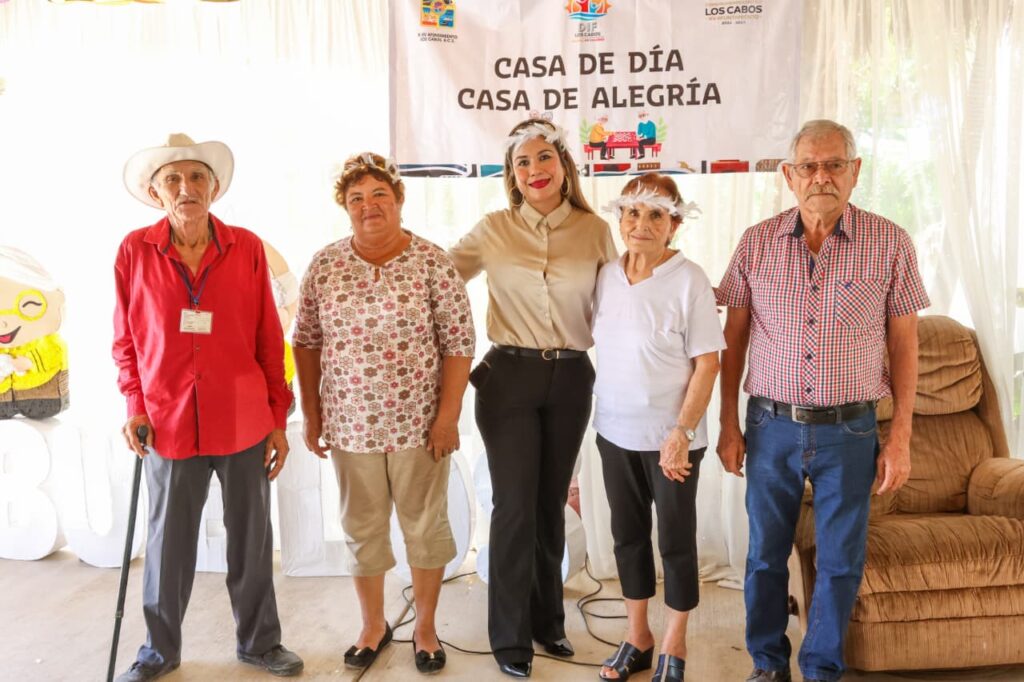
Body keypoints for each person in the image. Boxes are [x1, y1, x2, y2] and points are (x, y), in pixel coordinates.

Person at [715, 120, 930, 682]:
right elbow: (732, 340)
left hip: (850, 430)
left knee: (839, 560)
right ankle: (767, 662)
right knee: (765, 554)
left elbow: (904, 345)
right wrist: (728, 424)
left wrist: (901, 437)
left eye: (834, 164)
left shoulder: (890, 242)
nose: (821, 176)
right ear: (789, 176)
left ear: (855, 172)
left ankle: (821, 668)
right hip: (770, 426)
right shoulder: (756, 242)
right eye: (809, 166)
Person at [112, 133, 303, 681]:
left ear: (214, 188)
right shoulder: (133, 251)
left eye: (197, 177)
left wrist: (277, 418)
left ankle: (260, 643)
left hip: (243, 418)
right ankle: (159, 651)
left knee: (252, 540)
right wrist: (134, 404)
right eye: (172, 179)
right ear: (155, 193)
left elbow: (269, 339)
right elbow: (125, 340)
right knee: (166, 546)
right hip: (167, 421)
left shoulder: (247, 248)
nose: (185, 188)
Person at [292, 152, 474, 675]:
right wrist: (312, 414)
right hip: (351, 426)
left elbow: (459, 343)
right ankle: (373, 625)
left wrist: (448, 417)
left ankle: (425, 629)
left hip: (420, 425)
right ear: (345, 206)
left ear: (398, 200)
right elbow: (306, 341)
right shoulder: (326, 265)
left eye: (379, 195)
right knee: (362, 527)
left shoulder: (432, 261)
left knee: (425, 526)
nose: (368, 206)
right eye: (357, 198)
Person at [450, 118, 617, 678]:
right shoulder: (493, 229)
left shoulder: (595, 231)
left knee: (550, 506)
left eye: (544, 157)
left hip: (571, 379)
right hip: (509, 379)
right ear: (512, 175)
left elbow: (620, 301)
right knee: (515, 507)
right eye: (522, 163)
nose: (534, 170)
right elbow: (439, 280)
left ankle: (549, 622)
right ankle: (510, 638)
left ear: (564, 165)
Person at [592, 174, 723, 681]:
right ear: (619, 218)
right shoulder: (606, 275)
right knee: (627, 537)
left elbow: (708, 364)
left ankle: (675, 641)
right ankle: (638, 637)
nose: (640, 224)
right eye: (632, 213)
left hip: (673, 439)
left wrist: (681, 433)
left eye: (655, 215)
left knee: (675, 540)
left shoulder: (690, 280)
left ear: (674, 225)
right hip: (614, 432)